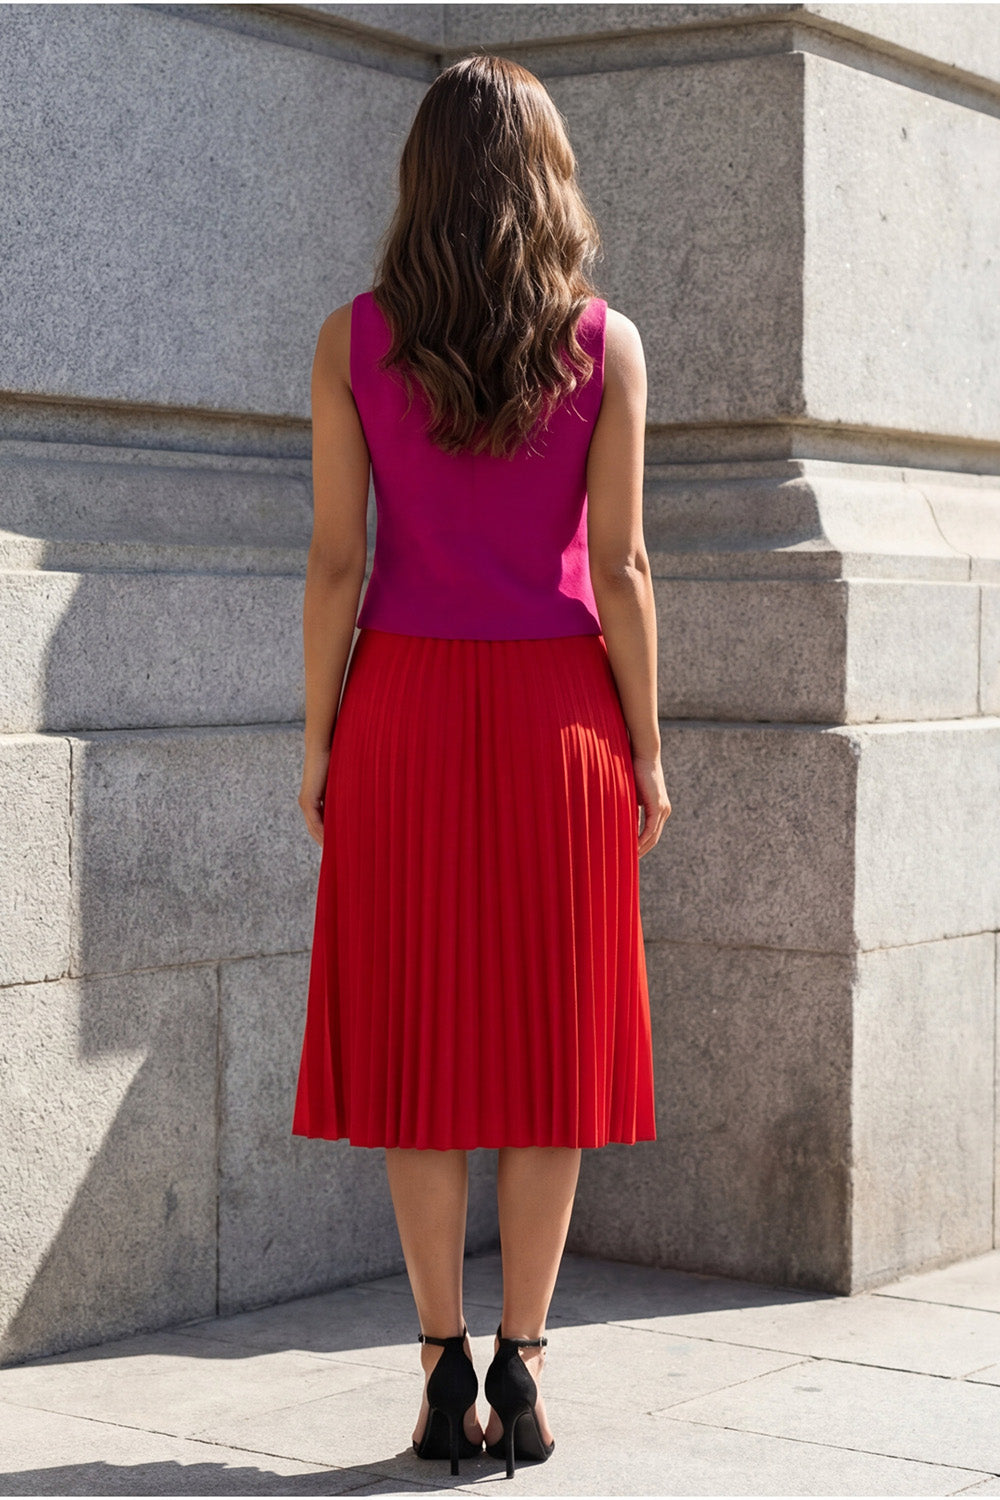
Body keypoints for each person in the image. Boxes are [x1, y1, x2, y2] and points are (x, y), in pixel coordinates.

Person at [290, 53, 670, 1481]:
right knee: (550, 1048)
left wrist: (319, 733)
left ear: (420, 181)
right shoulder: (605, 347)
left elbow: (338, 561)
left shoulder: (349, 341)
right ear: (549, 179)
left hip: (400, 706)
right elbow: (624, 570)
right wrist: (647, 745)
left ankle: (445, 1371)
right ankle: (529, 1359)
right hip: (560, 719)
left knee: (421, 1052)